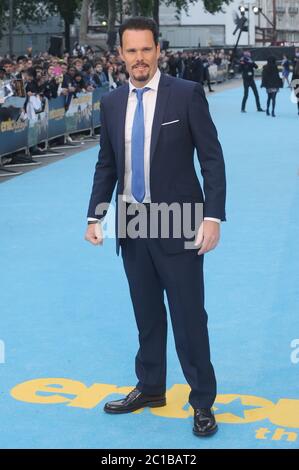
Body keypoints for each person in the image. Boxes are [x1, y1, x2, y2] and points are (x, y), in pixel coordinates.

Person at [85, 17, 226, 438]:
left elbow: (212, 160)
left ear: (157, 50)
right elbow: (107, 164)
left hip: (179, 222)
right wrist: (95, 216)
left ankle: (202, 401)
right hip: (131, 222)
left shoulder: (186, 95)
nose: (139, 58)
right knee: (146, 315)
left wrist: (212, 217)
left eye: (146, 49)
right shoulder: (111, 103)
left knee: (188, 318)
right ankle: (150, 387)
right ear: (122, 55)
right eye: (131, 51)